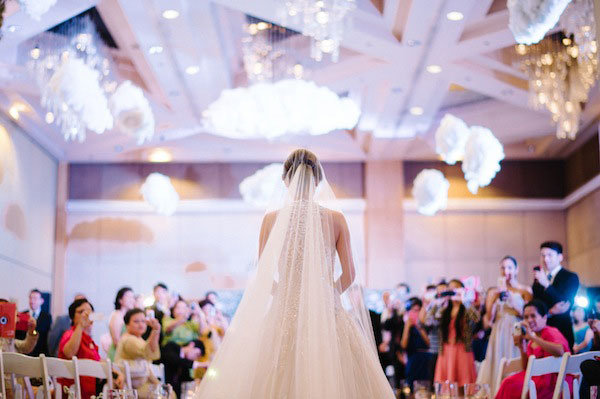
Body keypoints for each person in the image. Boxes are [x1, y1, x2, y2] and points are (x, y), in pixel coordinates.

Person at [195, 149, 395, 398]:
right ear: (318, 180)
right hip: (326, 311)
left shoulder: (271, 219)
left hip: (284, 312)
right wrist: (326, 293)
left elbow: (264, 274)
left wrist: (286, 293)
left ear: (285, 180)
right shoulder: (336, 218)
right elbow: (350, 273)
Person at [495, 300, 571, 399]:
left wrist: (532, 337)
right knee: (508, 382)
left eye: (533, 316)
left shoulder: (550, 331)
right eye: (526, 317)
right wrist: (522, 347)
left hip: (555, 381)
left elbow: (560, 351)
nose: (529, 320)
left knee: (511, 384)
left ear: (544, 318)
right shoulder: (531, 340)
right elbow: (526, 367)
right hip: (536, 378)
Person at [478, 256, 532, 394]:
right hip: (499, 329)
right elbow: (489, 319)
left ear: (516, 269)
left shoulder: (525, 290)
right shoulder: (493, 291)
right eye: (503, 267)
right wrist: (495, 297)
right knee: (497, 360)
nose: (506, 271)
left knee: (515, 359)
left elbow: (528, 315)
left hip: (516, 328)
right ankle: (497, 392)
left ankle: (516, 391)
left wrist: (513, 301)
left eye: (509, 267)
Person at [431, 279, 480, 385]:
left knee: (464, 384)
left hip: (463, 350)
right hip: (446, 350)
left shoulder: (466, 307)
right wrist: (438, 302)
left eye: (456, 288)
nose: (453, 290)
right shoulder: (444, 309)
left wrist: (464, 300)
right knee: (446, 386)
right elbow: (429, 320)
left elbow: (476, 319)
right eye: (450, 288)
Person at [532, 241, 579, 349]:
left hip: (562, 329)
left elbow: (563, 304)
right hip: (542, 333)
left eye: (549, 255)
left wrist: (547, 285)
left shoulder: (570, 277)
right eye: (543, 255)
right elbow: (537, 306)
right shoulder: (538, 279)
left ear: (560, 257)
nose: (545, 259)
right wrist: (550, 312)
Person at [58, 298, 101, 399]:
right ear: (73, 317)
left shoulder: (90, 340)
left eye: (89, 312)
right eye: (81, 312)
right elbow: (69, 353)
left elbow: (98, 360)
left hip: (88, 392)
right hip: (71, 392)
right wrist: (80, 325)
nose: (86, 315)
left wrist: (115, 371)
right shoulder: (69, 334)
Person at [115, 309, 161, 399]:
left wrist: (158, 384)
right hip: (130, 388)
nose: (141, 324)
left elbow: (150, 357)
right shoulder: (128, 340)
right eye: (136, 321)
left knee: (166, 392)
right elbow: (147, 352)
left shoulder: (138, 339)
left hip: (140, 385)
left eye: (143, 321)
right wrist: (155, 330)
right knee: (164, 394)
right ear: (127, 325)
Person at [401, 297, 431, 387]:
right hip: (412, 359)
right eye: (413, 310)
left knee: (426, 387)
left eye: (418, 310)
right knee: (411, 387)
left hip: (426, 359)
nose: (415, 313)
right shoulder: (405, 325)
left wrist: (419, 326)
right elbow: (403, 345)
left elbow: (429, 343)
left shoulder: (427, 324)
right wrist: (407, 327)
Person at [15, 289, 52, 356]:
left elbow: (43, 334)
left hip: (40, 352)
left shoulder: (47, 317)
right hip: (24, 352)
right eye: (30, 298)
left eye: (35, 298)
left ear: (41, 301)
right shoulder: (23, 315)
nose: (32, 301)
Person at [108, 287, 136, 360]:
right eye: (129, 297)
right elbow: (116, 341)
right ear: (120, 300)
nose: (132, 300)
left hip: (127, 355)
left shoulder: (128, 316)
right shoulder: (117, 315)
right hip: (118, 355)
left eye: (133, 297)